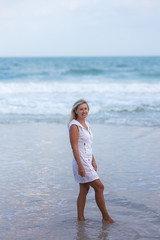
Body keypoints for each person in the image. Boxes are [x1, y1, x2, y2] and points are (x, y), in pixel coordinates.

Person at [68, 99, 114, 223]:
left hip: (88, 161)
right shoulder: (74, 126)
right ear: (76, 111)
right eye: (81, 109)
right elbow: (74, 147)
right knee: (99, 187)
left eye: (86, 109)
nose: (84, 111)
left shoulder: (87, 124)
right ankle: (105, 217)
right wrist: (80, 166)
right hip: (81, 162)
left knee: (84, 189)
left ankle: (80, 218)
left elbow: (87, 145)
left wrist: (93, 160)